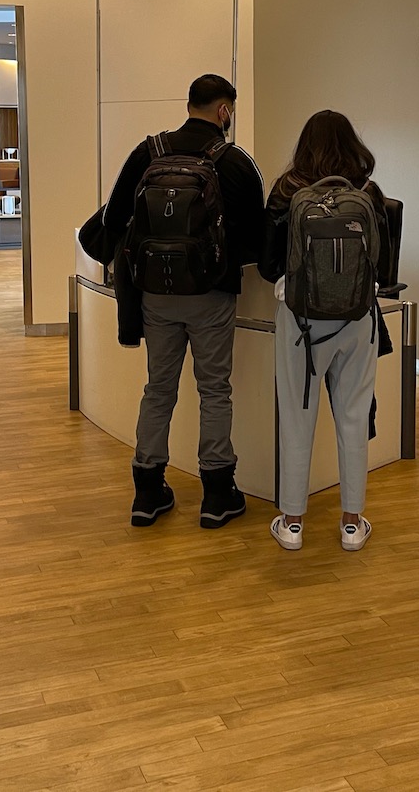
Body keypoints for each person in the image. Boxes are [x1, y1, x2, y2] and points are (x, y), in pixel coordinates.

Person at [103, 74, 265, 529]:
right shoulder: (234, 162)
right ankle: (217, 496)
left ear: (188, 104)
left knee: (159, 390)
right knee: (214, 390)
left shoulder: (148, 152)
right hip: (210, 295)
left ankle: (148, 493)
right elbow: (257, 237)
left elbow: (114, 217)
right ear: (224, 112)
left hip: (156, 294)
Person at [259, 111, 389, 552]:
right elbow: (385, 268)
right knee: (353, 416)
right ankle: (352, 524)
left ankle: (292, 523)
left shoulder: (286, 191)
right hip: (358, 320)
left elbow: (266, 264)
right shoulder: (368, 194)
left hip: (299, 322)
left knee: (297, 417)